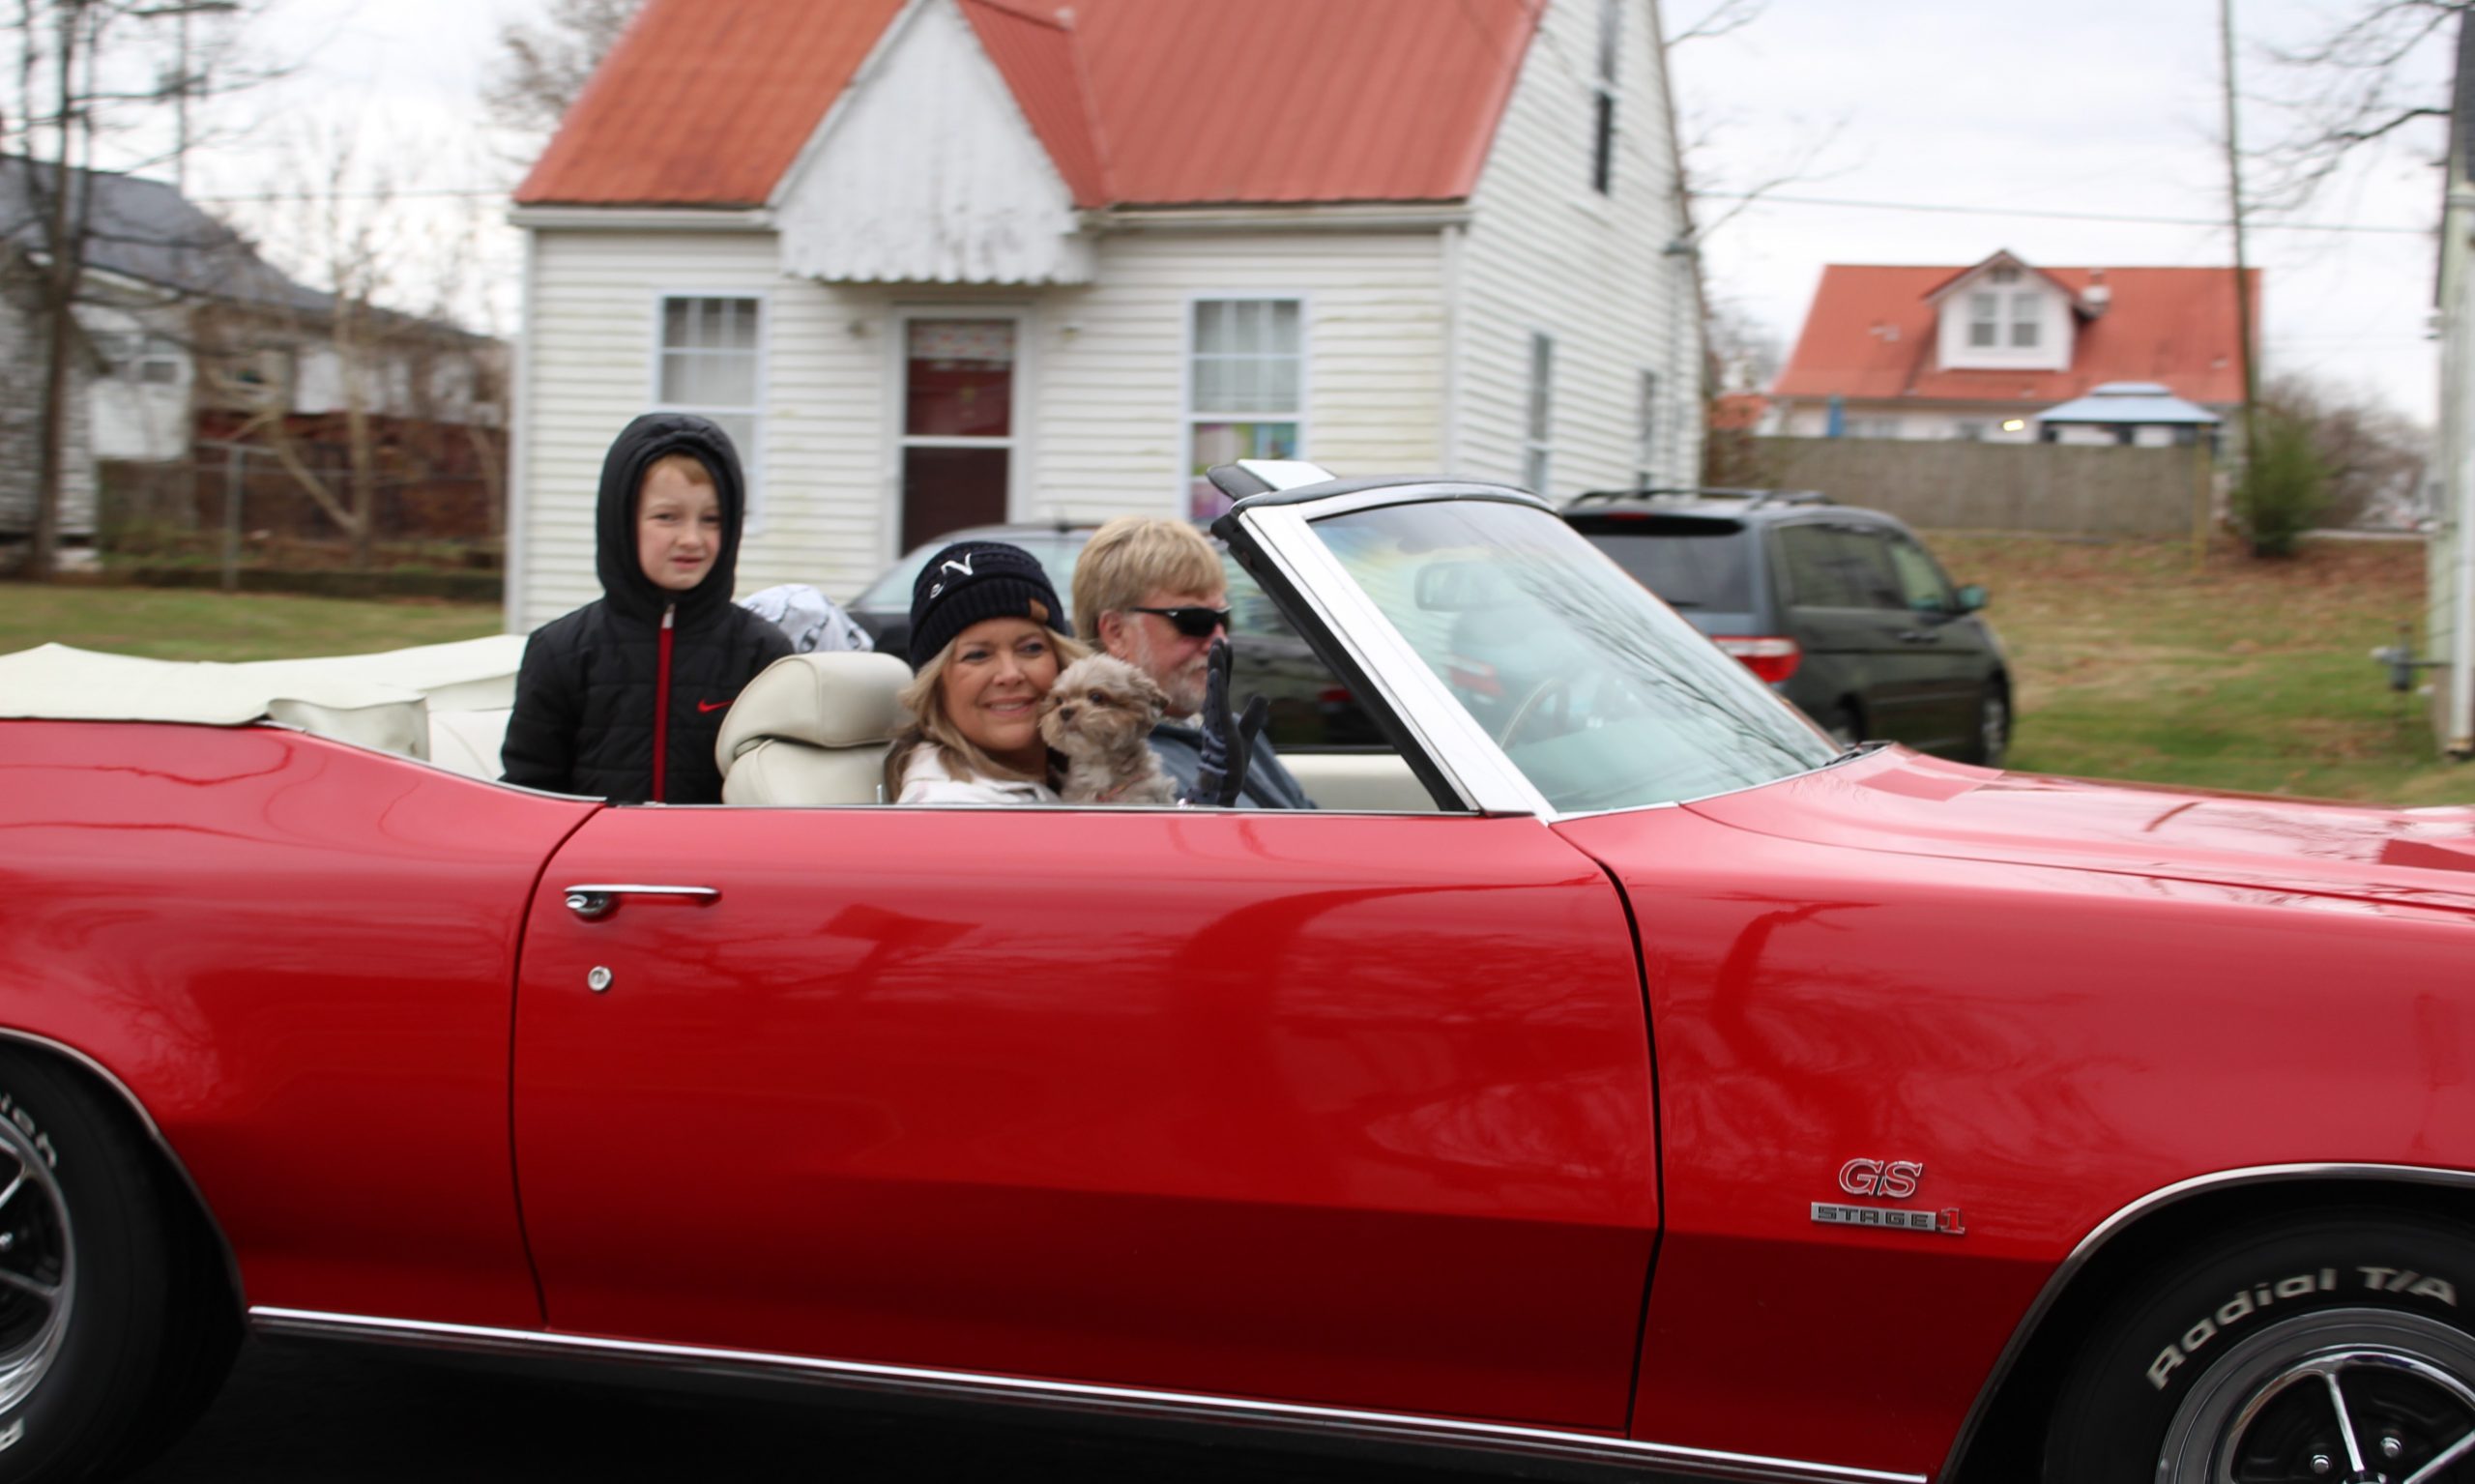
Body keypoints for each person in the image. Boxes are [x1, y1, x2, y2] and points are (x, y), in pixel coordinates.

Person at [501, 413, 792, 803]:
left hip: (716, 861)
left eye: (711, 519)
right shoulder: (560, 651)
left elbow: (779, 792)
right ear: (621, 521)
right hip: (595, 862)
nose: (691, 538)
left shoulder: (763, 653)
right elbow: (528, 792)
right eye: (667, 517)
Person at [1070, 516, 1314, 809]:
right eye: (1195, 621)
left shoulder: (1229, 732)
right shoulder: (1107, 760)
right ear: (1116, 633)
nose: (1220, 640)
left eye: (1224, 618)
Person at [885, 538, 1090, 804]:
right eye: (978, 655)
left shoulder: (1088, 771)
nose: (1010, 674)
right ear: (935, 686)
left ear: (1062, 661)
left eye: (1030, 648)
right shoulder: (951, 809)